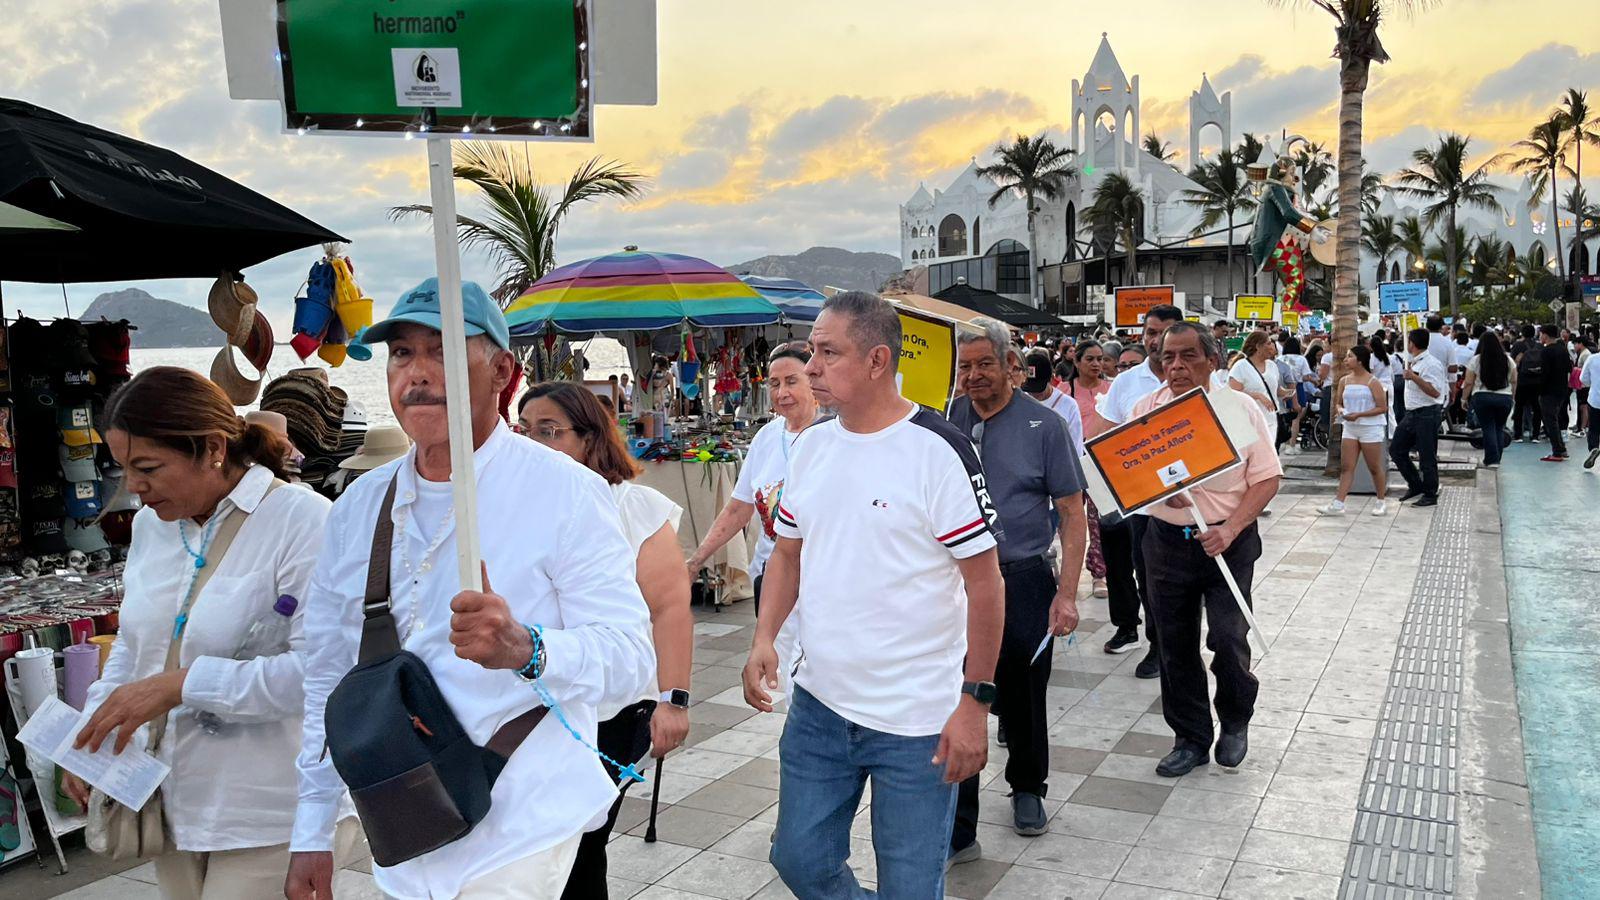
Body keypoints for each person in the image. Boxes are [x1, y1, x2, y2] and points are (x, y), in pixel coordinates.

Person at [288, 280, 656, 900]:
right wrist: (312, 827)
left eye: (443, 352)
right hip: (406, 820)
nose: (418, 373)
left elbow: (631, 661)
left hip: (525, 818)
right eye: (402, 353)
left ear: (502, 372)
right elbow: (328, 673)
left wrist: (527, 647)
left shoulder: (564, 492)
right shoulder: (360, 506)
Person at [743, 292, 1004, 898]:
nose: (810, 367)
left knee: (910, 887)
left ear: (877, 360)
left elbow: (985, 583)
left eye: (827, 353)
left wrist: (975, 702)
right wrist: (764, 636)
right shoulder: (812, 446)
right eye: (812, 351)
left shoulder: (937, 449)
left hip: (917, 720)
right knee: (800, 860)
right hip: (820, 708)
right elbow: (787, 554)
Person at [65, 367, 346, 899]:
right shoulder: (152, 526)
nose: (133, 487)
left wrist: (181, 685)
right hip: (170, 802)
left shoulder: (302, 520)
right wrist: (91, 735)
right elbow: (135, 646)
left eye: (148, 467)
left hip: (270, 811)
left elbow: (321, 674)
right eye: (123, 467)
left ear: (213, 448)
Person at [515, 382, 694, 898]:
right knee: (531, 854)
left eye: (549, 431)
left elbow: (669, 609)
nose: (533, 443)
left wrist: (673, 700)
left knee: (579, 850)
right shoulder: (511, 506)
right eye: (524, 431)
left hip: (610, 710)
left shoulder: (634, 508)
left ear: (590, 438)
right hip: (529, 707)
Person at [946, 319, 1086, 859]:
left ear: (1011, 365)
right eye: (965, 367)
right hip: (956, 581)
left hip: (1022, 576)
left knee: (1025, 690)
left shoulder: (1045, 426)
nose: (974, 376)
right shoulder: (947, 419)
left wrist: (1066, 593)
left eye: (985, 363)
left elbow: (1072, 513)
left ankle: (1028, 788)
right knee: (957, 691)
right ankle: (959, 821)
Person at [1133, 323, 1281, 777]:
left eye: (1188, 356)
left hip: (1228, 544)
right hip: (1166, 544)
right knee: (1174, 644)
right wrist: (1159, 491)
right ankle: (1190, 738)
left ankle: (1235, 718)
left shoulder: (1237, 409)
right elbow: (1127, 476)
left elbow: (1267, 479)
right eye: (1168, 357)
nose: (1176, 367)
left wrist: (1231, 529)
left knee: (1228, 638)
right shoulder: (1146, 412)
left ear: (1213, 361)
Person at [687, 344, 819, 698]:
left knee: (818, 680)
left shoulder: (833, 435)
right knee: (782, 677)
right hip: (772, 580)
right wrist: (696, 561)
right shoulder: (766, 438)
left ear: (813, 381)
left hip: (821, 582)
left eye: (792, 381)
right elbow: (738, 509)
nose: (782, 392)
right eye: (774, 384)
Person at [1100, 305, 1184, 681]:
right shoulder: (1127, 383)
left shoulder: (1203, 378)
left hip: (1195, 506)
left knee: (1186, 582)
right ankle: (1158, 645)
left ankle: (1182, 644)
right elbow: (1103, 436)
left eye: (1164, 332)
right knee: (1149, 577)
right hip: (1143, 505)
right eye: (1150, 332)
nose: (1156, 340)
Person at [1317, 346, 1390, 516]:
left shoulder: (1373, 382)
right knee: (1347, 466)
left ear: (1360, 360)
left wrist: (1360, 414)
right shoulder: (1344, 380)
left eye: (1350, 356)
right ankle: (1339, 503)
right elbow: (1339, 402)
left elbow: (1382, 407)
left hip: (1370, 428)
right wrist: (1341, 410)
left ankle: (1381, 501)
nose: (1346, 360)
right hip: (1350, 427)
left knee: (1374, 467)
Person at [1066, 341, 1113, 601]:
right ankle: (1068, 572)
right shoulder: (1064, 391)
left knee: (1098, 519)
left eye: (1100, 359)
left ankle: (1099, 572)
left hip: (1099, 463)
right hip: (1070, 463)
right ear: (1077, 362)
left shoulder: (1111, 390)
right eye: (1090, 359)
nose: (1097, 364)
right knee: (1069, 518)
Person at [1389, 328, 1448, 507]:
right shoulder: (1414, 361)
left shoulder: (1431, 364)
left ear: (1412, 344)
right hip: (1412, 413)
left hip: (1427, 413)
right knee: (1396, 449)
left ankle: (1430, 493)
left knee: (1426, 455)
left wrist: (1414, 377)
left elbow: (1435, 391)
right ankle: (1415, 484)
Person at [1462, 331, 1515, 468]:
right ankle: (1496, 458)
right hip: (1504, 397)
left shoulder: (1476, 360)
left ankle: (1492, 459)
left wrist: (1464, 399)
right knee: (1499, 427)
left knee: (1488, 427)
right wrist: (1512, 397)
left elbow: (1468, 382)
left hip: (1482, 397)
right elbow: (1514, 380)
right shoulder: (1508, 359)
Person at [1022, 347, 1084, 454]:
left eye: (1038, 388)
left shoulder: (1069, 405)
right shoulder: (1019, 402)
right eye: (1029, 388)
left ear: (1051, 378)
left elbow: (1076, 447)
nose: (1033, 393)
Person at [1537, 324, 1574, 462]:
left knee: (1550, 421)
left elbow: (1544, 373)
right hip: (1562, 389)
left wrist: (1540, 389)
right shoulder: (1562, 349)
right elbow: (1569, 368)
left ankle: (1557, 452)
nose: (1540, 336)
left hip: (1548, 390)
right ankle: (1561, 448)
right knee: (1554, 419)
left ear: (1545, 335)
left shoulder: (1546, 351)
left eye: (1541, 334)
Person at [1228, 331, 1283, 417]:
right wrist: (1257, 395)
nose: (1272, 347)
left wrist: (1291, 392)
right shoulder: (1240, 367)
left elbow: (1277, 390)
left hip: (1272, 418)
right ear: (1258, 347)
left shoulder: (1272, 365)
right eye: (1268, 343)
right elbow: (1233, 395)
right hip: (1250, 419)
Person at [1511, 324, 1544, 442]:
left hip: (1522, 380)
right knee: (1537, 408)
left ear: (1522, 333)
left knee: (1519, 407)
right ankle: (1535, 435)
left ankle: (1518, 435)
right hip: (1537, 381)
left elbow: (1513, 363)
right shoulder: (1540, 346)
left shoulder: (1517, 345)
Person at [1580, 340, 1600, 469]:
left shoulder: (1592, 359)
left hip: (1595, 399)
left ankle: (1593, 448)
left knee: (1593, 428)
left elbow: (1583, 378)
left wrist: (1591, 384)